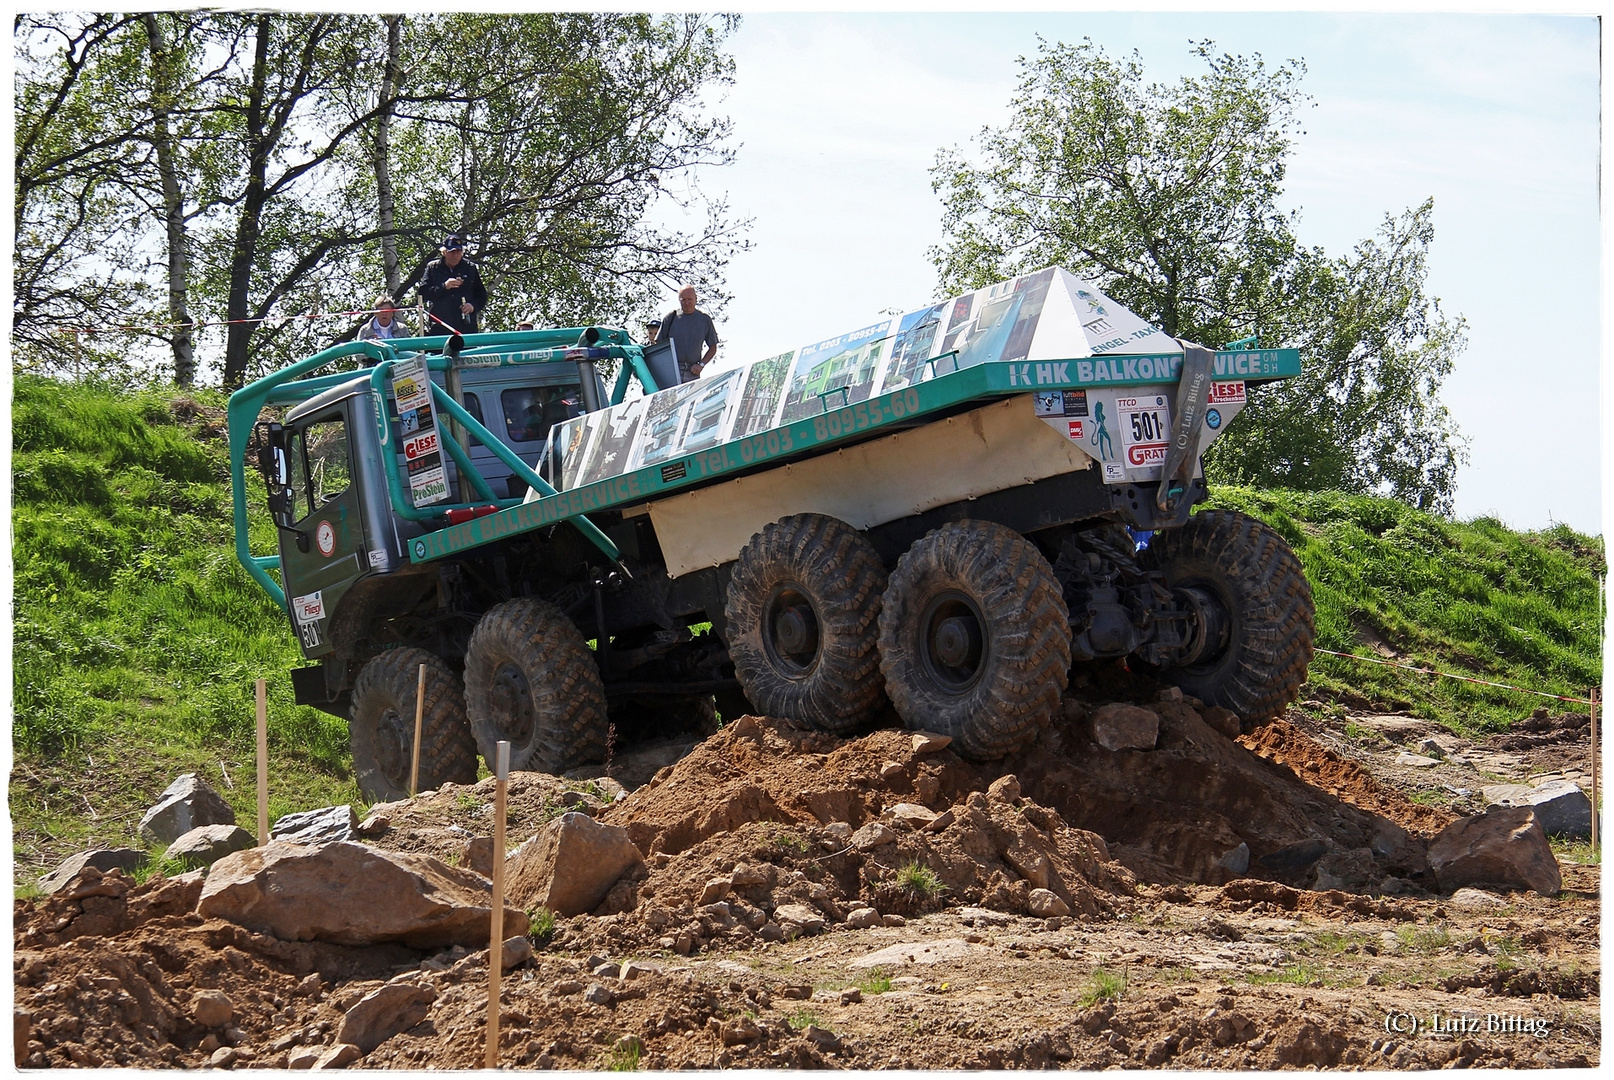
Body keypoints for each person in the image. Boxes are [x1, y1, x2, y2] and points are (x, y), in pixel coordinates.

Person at [420, 233, 488, 335]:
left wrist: (472, 305)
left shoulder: (470, 268)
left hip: (466, 328)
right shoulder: (433, 268)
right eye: (452, 252)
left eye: (458, 251)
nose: (455, 255)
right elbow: (422, 293)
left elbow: (482, 296)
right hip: (440, 327)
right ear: (444, 252)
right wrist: (444, 286)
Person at [659, 285, 718, 382]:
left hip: (692, 372)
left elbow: (713, 347)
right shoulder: (671, 317)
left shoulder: (704, 320)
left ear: (696, 299)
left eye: (690, 299)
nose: (687, 303)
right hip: (671, 371)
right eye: (683, 300)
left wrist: (701, 365)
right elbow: (658, 346)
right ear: (679, 300)